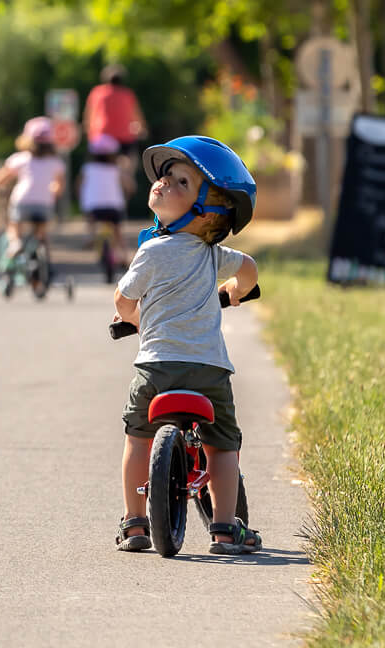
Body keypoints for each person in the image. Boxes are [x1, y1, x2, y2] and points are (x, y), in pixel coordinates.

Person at [112, 135, 262, 556]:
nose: (163, 182)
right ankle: (226, 529)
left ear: (205, 213)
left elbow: (124, 301)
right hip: (209, 371)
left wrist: (135, 321)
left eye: (181, 182)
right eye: (165, 176)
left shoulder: (151, 251)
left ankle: (135, 522)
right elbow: (248, 269)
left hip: (156, 369)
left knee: (138, 438)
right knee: (223, 445)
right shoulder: (213, 255)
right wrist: (233, 292)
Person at [0, 116, 67, 293]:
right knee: (41, 234)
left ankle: (15, 243)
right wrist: (54, 192)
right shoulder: (55, 162)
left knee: (13, 225)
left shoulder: (21, 158)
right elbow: (59, 185)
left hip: (22, 201)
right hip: (44, 204)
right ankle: (42, 262)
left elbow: (3, 176)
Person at [84, 65, 148, 194]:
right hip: (124, 138)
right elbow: (137, 116)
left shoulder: (97, 93)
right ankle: (127, 185)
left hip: (101, 137)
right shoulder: (128, 94)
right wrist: (143, 129)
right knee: (129, 165)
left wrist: (88, 131)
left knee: (96, 168)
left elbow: (89, 115)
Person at [79, 133, 129, 279]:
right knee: (118, 232)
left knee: (90, 217)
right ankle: (124, 257)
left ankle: (91, 234)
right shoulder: (116, 169)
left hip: (94, 206)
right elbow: (128, 185)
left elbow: (79, 185)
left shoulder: (87, 168)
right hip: (114, 206)